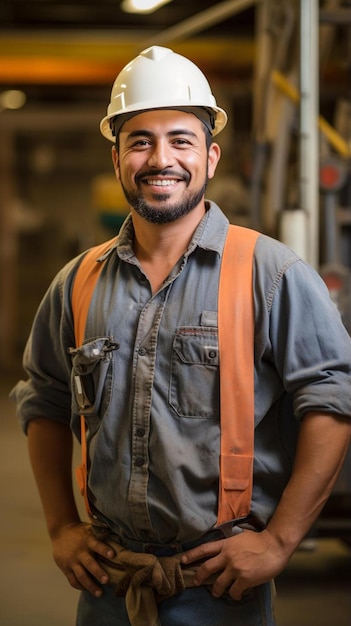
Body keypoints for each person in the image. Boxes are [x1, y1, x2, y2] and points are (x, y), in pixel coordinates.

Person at [12, 45, 351, 626]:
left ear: (211, 156)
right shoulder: (76, 283)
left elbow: (332, 398)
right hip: (109, 587)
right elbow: (43, 398)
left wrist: (279, 542)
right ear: (117, 157)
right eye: (139, 140)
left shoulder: (270, 275)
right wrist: (61, 526)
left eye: (180, 140)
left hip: (222, 590)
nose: (159, 158)